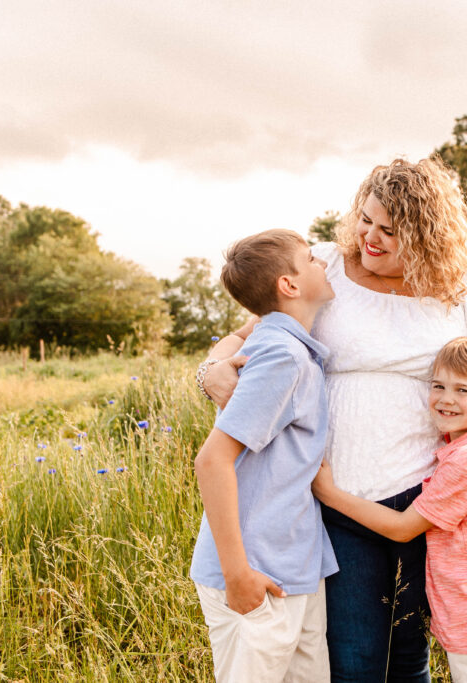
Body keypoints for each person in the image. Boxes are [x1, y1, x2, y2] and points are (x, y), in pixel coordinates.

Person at [200, 157, 467, 682]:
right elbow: (244, 337)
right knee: (354, 660)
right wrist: (212, 368)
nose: (369, 238)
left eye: (390, 231)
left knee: (408, 657)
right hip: (337, 500)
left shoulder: (461, 292)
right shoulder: (326, 266)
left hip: (426, 499)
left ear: (428, 237)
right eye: (366, 219)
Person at [312, 337, 467, 682]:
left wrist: (329, 493)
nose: (446, 399)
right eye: (438, 385)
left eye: (463, 390)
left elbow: (403, 528)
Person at [190, 229, 338, 682]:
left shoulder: (286, 344)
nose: (324, 263)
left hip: (293, 569)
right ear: (288, 285)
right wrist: (238, 575)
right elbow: (212, 461)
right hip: (256, 576)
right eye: (312, 259)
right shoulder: (281, 355)